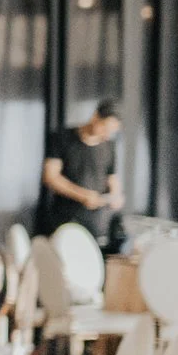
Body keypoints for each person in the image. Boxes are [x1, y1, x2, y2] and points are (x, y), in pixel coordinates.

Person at [40, 100, 126, 252]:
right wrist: (82, 195)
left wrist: (116, 195)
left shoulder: (109, 146)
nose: (107, 135)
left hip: (98, 224)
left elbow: (112, 176)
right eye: (105, 128)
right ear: (95, 117)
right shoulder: (62, 138)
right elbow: (50, 177)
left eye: (112, 131)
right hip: (65, 219)